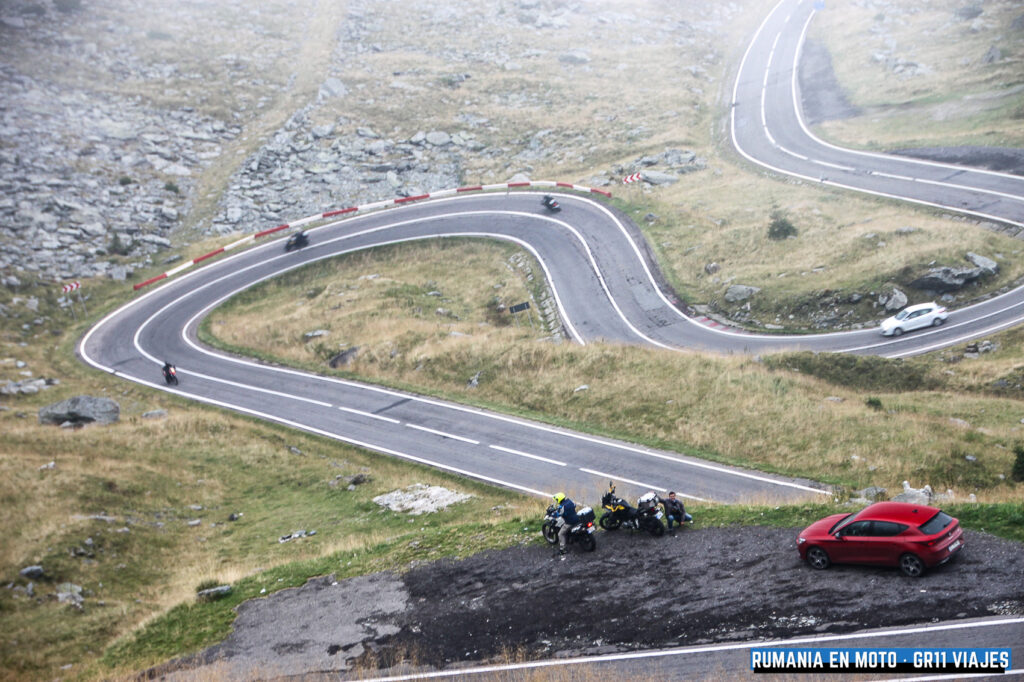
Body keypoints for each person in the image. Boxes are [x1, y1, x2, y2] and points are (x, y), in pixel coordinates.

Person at [552, 492, 579, 558]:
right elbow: (574, 505)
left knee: (560, 534)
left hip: (570, 522)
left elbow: (558, 514)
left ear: (559, 500)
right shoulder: (570, 501)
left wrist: (553, 514)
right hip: (577, 518)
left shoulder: (562, 507)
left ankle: (562, 549)